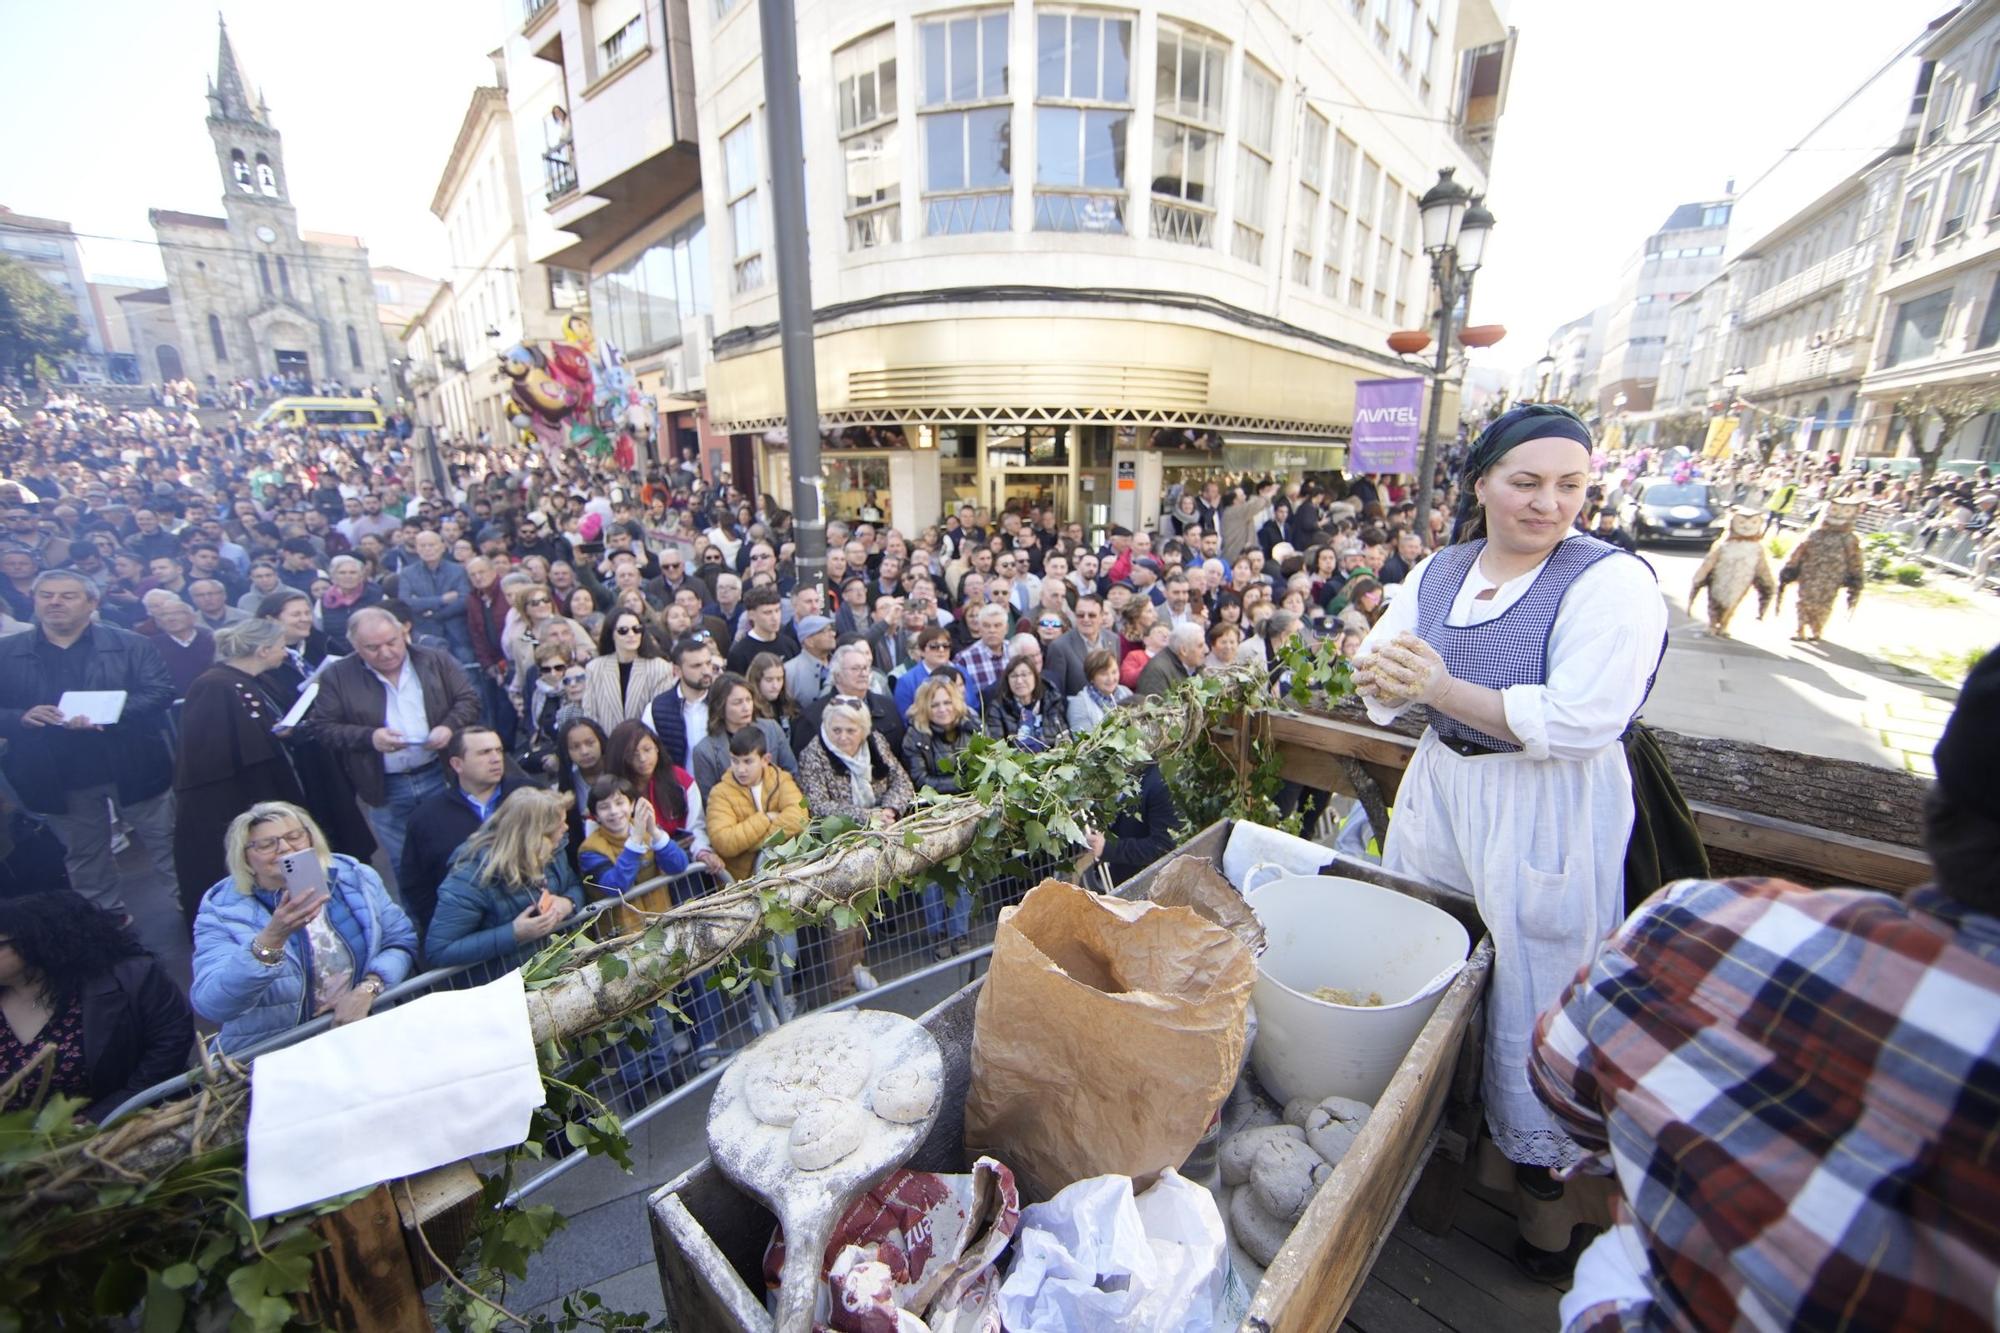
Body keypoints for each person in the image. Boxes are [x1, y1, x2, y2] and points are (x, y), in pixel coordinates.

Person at [1529, 649, 2000, 1328]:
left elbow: (1557, 1075)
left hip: (1650, 1301)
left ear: (1942, 801)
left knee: (1620, 1255)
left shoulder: (1688, 925)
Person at [1352, 403, 1683, 1277]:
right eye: (1527, 482)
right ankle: (1439, 1139)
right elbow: (1388, 676)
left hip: (1546, 805)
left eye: (1570, 485)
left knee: (1541, 989)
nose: (1549, 503)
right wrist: (1378, 673)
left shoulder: (1610, 582)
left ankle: (1544, 1206)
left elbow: (1581, 719)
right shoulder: (1440, 567)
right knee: (1427, 956)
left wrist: (1441, 685)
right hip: (1446, 793)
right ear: (1484, 484)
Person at [0, 571, 178, 918]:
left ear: (91, 602)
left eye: (67, 596)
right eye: (46, 595)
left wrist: (110, 711)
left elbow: (161, 692)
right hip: (56, 774)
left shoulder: (131, 644)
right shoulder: (7, 653)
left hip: (132, 763)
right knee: (83, 854)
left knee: (166, 840)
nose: (55, 602)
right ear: (34, 601)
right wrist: (20, 717)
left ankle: (195, 909)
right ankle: (105, 919)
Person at [190, 802, 420, 1054]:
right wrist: (271, 939)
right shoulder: (223, 911)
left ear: (311, 838)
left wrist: (368, 989)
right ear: (245, 858)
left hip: (363, 1032)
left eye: (294, 836)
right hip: (279, 1054)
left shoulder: (355, 877)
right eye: (267, 844)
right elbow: (214, 1004)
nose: (285, 848)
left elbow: (400, 940)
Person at [307, 606, 481, 877]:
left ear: (404, 632)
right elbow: (323, 727)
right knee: (406, 864)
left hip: (438, 771)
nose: (386, 653)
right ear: (355, 646)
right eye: (373, 648)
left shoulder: (434, 660)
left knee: (461, 853)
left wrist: (448, 727)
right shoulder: (338, 675)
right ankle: (418, 919)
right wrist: (370, 737)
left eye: (392, 642)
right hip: (385, 785)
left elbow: (468, 700)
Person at [0, 892, 192, 1122]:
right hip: (26, 1152)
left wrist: (105, 1116)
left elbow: (169, 1048)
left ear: (36, 941)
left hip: (138, 1126)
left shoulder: (132, 978)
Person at [171, 619, 305, 924]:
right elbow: (211, 757)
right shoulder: (213, 686)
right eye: (282, 647)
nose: (285, 654)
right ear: (263, 650)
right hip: (232, 808)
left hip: (261, 800)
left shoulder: (248, 680)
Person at [576, 775, 706, 1080]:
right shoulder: (590, 849)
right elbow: (613, 887)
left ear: (633, 804)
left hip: (658, 932)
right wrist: (635, 842)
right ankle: (634, 1080)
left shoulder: (646, 832)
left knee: (661, 1010)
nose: (615, 811)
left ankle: (662, 1074)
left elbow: (677, 865)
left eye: (620, 802)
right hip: (621, 942)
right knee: (630, 1016)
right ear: (595, 814)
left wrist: (655, 833)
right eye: (605, 806)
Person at [797, 700, 914, 996]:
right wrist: (867, 816)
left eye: (851, 730)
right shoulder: (814, 754)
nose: (843, 737)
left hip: (874, 840)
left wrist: (890, 809)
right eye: (836, 729)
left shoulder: (875, 743)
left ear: (863, 730)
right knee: (841, 925)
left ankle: (857, 965)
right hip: (836, 847)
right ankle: (841, 991)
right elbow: (819, 804)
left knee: (862, 909)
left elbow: (901, 781)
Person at [424, 787, 584, 981]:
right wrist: (514, 933)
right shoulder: (470, 878)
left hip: (562, 970)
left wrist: (568, 903)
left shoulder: (554, 851)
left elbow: (575, 884)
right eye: (559, 825)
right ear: (535, 837)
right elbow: (440, 950)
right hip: (509, 986)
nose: (566, 828)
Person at [397, 727, 534, 936]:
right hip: (472, 938)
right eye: (484, 753)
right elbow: (416, 885)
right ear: (456, 764)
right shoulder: (426, 818)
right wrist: (447, 928)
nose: (496, 758)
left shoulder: (530, 795)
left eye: (498, 750)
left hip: (539, 920)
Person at [900, 677, 978, 958]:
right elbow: (920, 779)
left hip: (966, 813)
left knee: (965, 873)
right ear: (925, 707)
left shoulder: (972, 727)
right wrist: (959, 783)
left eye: (947, 702)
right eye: (935, 704)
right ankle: (938, 935)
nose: (943, 709)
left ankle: (960, 932)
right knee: (932, 880)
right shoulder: (915, 736)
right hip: (930, 816)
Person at [602, 719, 726, 878]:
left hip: (682, 865)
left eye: (647, 749)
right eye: (633, 753)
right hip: (638, 873)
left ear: (657, 748)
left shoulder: (680, 780)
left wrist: (702, 852)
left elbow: (696, 825)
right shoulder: (609, 794)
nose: (642, 759)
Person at [689, 672, 796, 802]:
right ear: (720, 707)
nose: (746, 707)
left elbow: (793, 775)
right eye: (737, 703)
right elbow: (709, 801)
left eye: (748, 699)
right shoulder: (705, 751)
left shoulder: (772, 729)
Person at [794, 641, 906, 756]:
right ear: (837, 675)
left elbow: (902, 755)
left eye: (865, 668)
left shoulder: (888, 707)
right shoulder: (813, 717)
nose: (863, 674)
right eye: (855, 669)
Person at [1073, 763, 1178, 885]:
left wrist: (1108, 848)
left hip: (1146, 886)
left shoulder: (1158, 784)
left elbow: (1164, 847)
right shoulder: (1123, 775)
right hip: (1118, 880)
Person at [580, 609, 674, 730]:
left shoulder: (659, 668)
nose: (631, 635)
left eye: (636, 629)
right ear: (611, 634)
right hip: (607, 743)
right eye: (623, 631)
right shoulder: (594, 668)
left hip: (645, 743)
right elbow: (590, 714)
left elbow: (660, 715)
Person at [648, 633, 721, 772]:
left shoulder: (722, 701)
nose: (706, 671)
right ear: (677, 671)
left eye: (708, 663)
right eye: (696, 666)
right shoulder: (657, 708)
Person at [398, 530, 474, 662]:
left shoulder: (459, 570)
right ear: (416, 549)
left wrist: (434, 614)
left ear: (442, 547)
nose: (427, 549)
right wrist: (442, 599)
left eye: (432, 545)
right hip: (425, 633)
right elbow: (406, 602)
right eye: (423, 546)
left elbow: (464, 600)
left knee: (467, 673)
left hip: (457, 633)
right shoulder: (407, 573)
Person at [983, 652, 1068, 753]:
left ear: (1035, 677)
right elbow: (995, 748)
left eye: (1024, 675)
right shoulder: (997, 708)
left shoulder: (1052, 699)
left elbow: (1065, 737)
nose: (1019, 681)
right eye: (1014, 676)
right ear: (1007, 680)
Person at [318, 555, 385, 655]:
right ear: (333, 577)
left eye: (353, 572)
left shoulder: (378, 596)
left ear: (361, 576)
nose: (348, 576)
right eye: (342, 573)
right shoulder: (323, 601)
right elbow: (319, 630)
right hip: (336, 655)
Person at [1067, 648, 1132, 734]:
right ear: (1091, 677)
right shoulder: (1079, 703)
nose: (1111, 678)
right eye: (1104, 674)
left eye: (1114, 672)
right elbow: (1085, 742)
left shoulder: (1126, 692)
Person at [1136, 622, 1205, 697]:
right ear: (1184, 650)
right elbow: (1154, 705)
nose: (1206, 650)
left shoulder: (1197, 666)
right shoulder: (1156, 671)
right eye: (1200, 646)